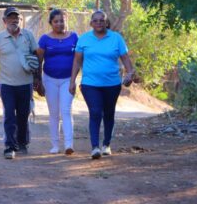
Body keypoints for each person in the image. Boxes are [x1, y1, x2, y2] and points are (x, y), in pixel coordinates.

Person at [69, 10, 135, 159]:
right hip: (90, 83)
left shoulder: (116, 38)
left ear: (106, 23)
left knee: (109, 112)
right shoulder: (84, 39)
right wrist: (72, 81)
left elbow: (125, 58)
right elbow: (77, 61)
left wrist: (130, 73)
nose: (99, 23)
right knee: (95, 112)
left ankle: (106, 144)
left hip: (112, 83)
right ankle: (95, 147)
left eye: (102, 20)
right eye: (96, 20)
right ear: (91, 23)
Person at [0, 6, 39, 160]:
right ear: (4, 21)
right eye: (10, 18)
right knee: (9, 114)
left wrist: (37, 78)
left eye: (17, 18)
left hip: (26, 83)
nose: (14, 20)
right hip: (6, 84)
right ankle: (9, 145)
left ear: (21, 20)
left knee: (23, 114)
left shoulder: (28, 36)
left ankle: (22, 143)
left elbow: (37, 57)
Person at [36, 9, 78, 155]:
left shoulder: (74, 37)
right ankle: (55, 145)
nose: (59, 24)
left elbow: (78, 60)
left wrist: (74, 81)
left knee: (66, 110)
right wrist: (38, 81)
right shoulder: (44, 39)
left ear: (66, 21)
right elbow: (38, 60)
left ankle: (68, 144)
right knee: (54, 113)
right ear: (51, 23)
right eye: (56, 21)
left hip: (68, 79)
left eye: (62, 20)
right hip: (49, 79)